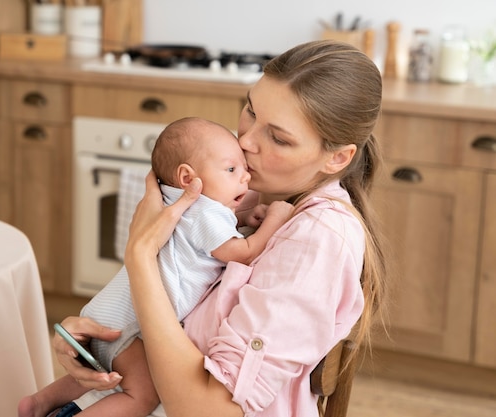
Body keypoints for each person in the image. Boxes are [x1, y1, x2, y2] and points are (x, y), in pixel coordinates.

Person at [49, 39, 388, 417]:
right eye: (250, 110)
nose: (244, 140)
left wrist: (140, 256)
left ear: (337, 157)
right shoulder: (246, 192)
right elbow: (165, 292)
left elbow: (208, 412)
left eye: (277, 137)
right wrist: (98, 337)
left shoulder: (316, 240)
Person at [19, 117, 294, 417]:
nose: (245, 177)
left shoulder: (179, 202)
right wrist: (275, 219)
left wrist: (244, 219)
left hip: (110, 315)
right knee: (141, 395)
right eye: (231, 169)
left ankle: (39, 402)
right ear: (188, 179)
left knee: (99, 375)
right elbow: (242, 252)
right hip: (131, 326)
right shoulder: (205, 210)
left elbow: (208, 234)